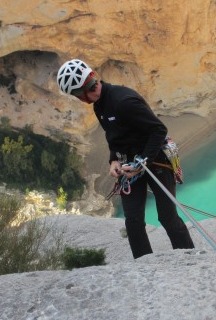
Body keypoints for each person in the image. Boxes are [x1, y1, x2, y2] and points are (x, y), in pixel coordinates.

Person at [57, 59, 195, 259]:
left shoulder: (124, 101)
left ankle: (190, 258)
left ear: (82, 93)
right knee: (132, 220)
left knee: (167, 216)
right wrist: (113, 160)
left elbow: (158, 130)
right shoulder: (99, 106)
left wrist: (143, 161)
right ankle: (144, 263)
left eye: (77, 95)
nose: (79, 99)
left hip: (156, 161)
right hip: (130, 165)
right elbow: (114, 137)